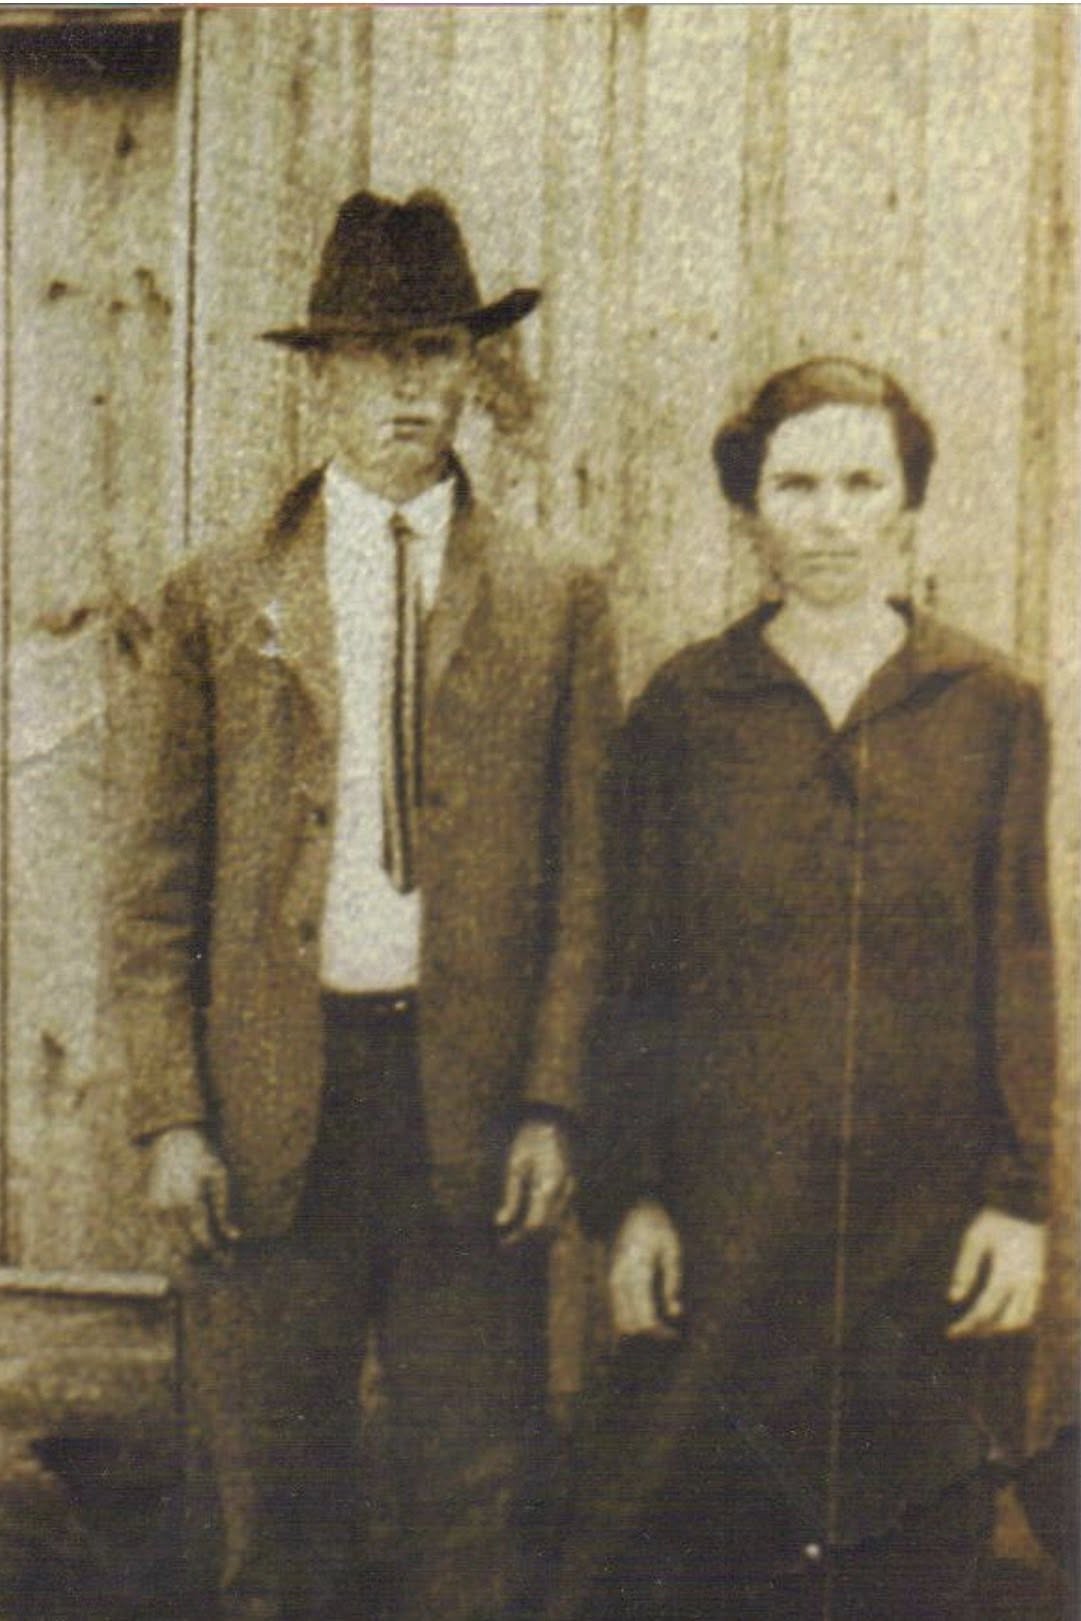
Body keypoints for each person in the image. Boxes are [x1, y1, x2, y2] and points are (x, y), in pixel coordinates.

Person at [113, 190, 616, 1621]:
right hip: (276, 1105)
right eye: (374, 356)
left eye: (434, 352)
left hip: (466, 1108)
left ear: (471, 369)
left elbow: (587, 880)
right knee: (273, 1504)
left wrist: (550, 1102)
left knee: (473, 1491)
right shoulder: (220, 596)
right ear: (320, 377)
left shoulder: (556, 598)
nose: (407, 388)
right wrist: (172, 1114)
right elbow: (153, 889)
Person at [560, 358, 1054, 1621]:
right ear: (748, 511)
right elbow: (634, 974)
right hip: (731, 1231)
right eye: (796, 486)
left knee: (911, 1559)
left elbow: (1016, 959)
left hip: (924, 1232)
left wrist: (1017, 1201)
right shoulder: (685, 709)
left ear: (908, 503)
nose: (830, 519)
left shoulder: (986, 705)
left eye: (860, 483)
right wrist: (632, 1196)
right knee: (721, 1558)